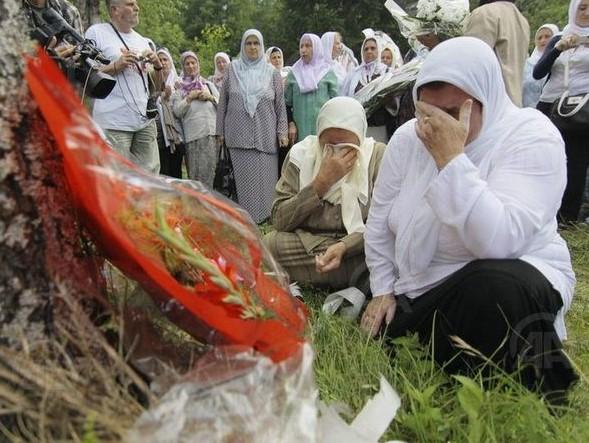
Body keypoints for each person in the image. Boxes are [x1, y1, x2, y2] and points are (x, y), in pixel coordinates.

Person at [361, 36, 578, 400]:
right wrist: (383, 288)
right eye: (425, 112)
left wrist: (452, 161)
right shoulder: (406, 139)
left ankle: (531, 389)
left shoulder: (531, 135)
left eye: (450, 112)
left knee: (496, 290)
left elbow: (498, 242)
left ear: (485, 97)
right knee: (395, 327)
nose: (433, 126)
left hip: (508, 271)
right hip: (425, 285)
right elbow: (380, 221)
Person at [264, 97, 385, 291]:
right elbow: (279, 219)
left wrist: (344, 246)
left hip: (358, 246)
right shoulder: (301, 155)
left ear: (360, 138)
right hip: (309, 243)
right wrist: (321, 183)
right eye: (329, 145)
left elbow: (383, 223)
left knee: (387, 251)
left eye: (346, 147)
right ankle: (354, 277)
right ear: (319, 136)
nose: (337, 154)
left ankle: (326, 274)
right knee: (271, 245)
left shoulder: (376, 156)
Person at [216, 29, 288, 223]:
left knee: (266, 182)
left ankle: (266, 218)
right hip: (238, 136)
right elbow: (223, 101)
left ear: (262, 46)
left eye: (256, 43)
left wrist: (282, 131)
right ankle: (245, 220)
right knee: (244, 183)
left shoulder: (272, 73)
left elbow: (280, 105)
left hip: (265, 136)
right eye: (249, 43)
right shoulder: (232, 70)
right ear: (243, 46)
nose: (253, 47)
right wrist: (219, 132)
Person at [85, 0, 163, 174]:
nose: (137, 8)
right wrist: (116, 65)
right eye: (130, 4)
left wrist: (157, 66)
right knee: (116, 179)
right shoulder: (97, 33)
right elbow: (86, 74)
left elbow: (157, 88)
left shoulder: (143, 41)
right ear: (115, 9)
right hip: (113, 122)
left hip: (144, 121)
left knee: (150, 179)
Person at [533, 0, 589, 224]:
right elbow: (538, 72)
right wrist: (558, 49)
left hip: (582, 109)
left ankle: (567, 219)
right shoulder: (559, 38)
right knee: (546, 158)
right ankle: (542, 211)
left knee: (576, 164)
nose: (586, 12)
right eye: (582, 7)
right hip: (551, 106)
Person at [465, 0, 530, 107]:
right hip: (513, 105)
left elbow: (471, 65)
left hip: (489, 107)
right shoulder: (522, 21)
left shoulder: (485, 13)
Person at [172, 52, 219, 188]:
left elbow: (221, 105)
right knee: (197, 179)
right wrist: (189, 98)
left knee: (213, 176)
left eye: (194, 63)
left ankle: (213, 205)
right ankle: (199, 206)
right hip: (194, 138)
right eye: (187, 64)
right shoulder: (179, 89)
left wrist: (209, 97)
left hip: (212, 135)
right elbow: (177, 112)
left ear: (198, 64)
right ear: (183, 67)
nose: (191, 66)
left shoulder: (208, 85)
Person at [285, 33, 338, 145]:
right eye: (301, 46)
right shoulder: (294, 74)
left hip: (323, 131)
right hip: (299, 133)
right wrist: (291, 124)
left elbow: (335, 103)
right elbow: (287, 104)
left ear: (317, 47)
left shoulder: (327, 73)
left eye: (308, 46)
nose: (303, 50)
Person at [342, 36, 390, 142]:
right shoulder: (354, 74)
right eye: (366, 49)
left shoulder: (386, 72)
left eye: (373, 48)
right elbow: (345, 97)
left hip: (380, 126)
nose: (369, 51)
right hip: (358, 126)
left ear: (379, 50)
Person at [156, 48, 184, 178]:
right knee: (163, 170)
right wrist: (161, 96)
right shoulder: (153, 81)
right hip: (160, 134)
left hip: (176, 133)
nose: (162, 62)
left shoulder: (178, 82)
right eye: (159, 60)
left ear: (170, 61)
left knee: (176, 170)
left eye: (165, 59)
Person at [522, 24, 559, 108]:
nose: (543, 40)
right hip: (530, 113)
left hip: (554, 112)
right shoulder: (527, 64)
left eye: (547, 36)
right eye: (539, 38)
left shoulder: (561, 61)